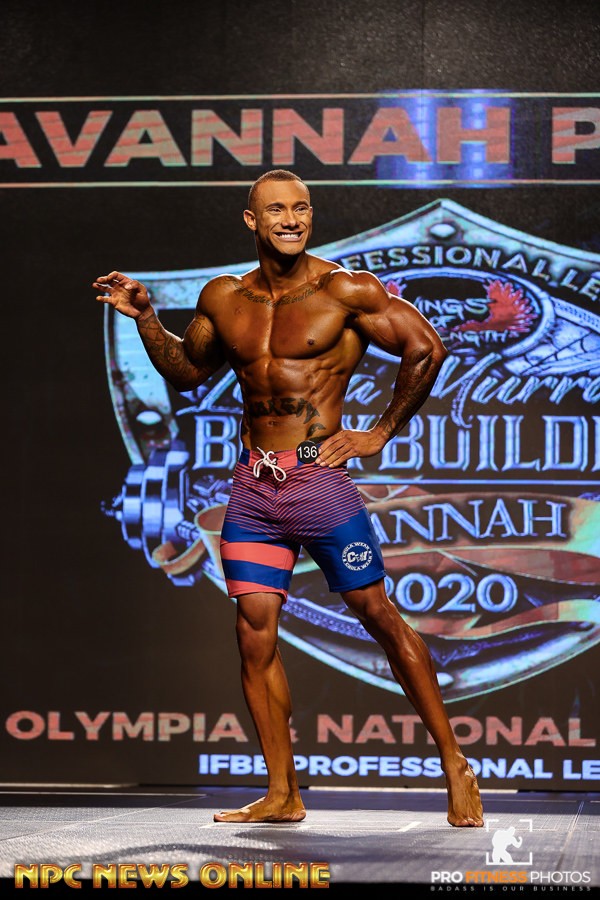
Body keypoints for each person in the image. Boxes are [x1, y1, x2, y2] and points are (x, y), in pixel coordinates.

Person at [92, 169, 484, 828]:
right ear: (252, 220)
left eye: (301, 208)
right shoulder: (225, 297)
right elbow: (189, 372)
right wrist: (148, 320)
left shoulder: (345, 290)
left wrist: (379, 432)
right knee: (253, 636)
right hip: (253, 488)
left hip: (318, 482)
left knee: (378, 616)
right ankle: (282, 793)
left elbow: (426, 348)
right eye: (277, 210)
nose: (292, 219)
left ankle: (455, 765)